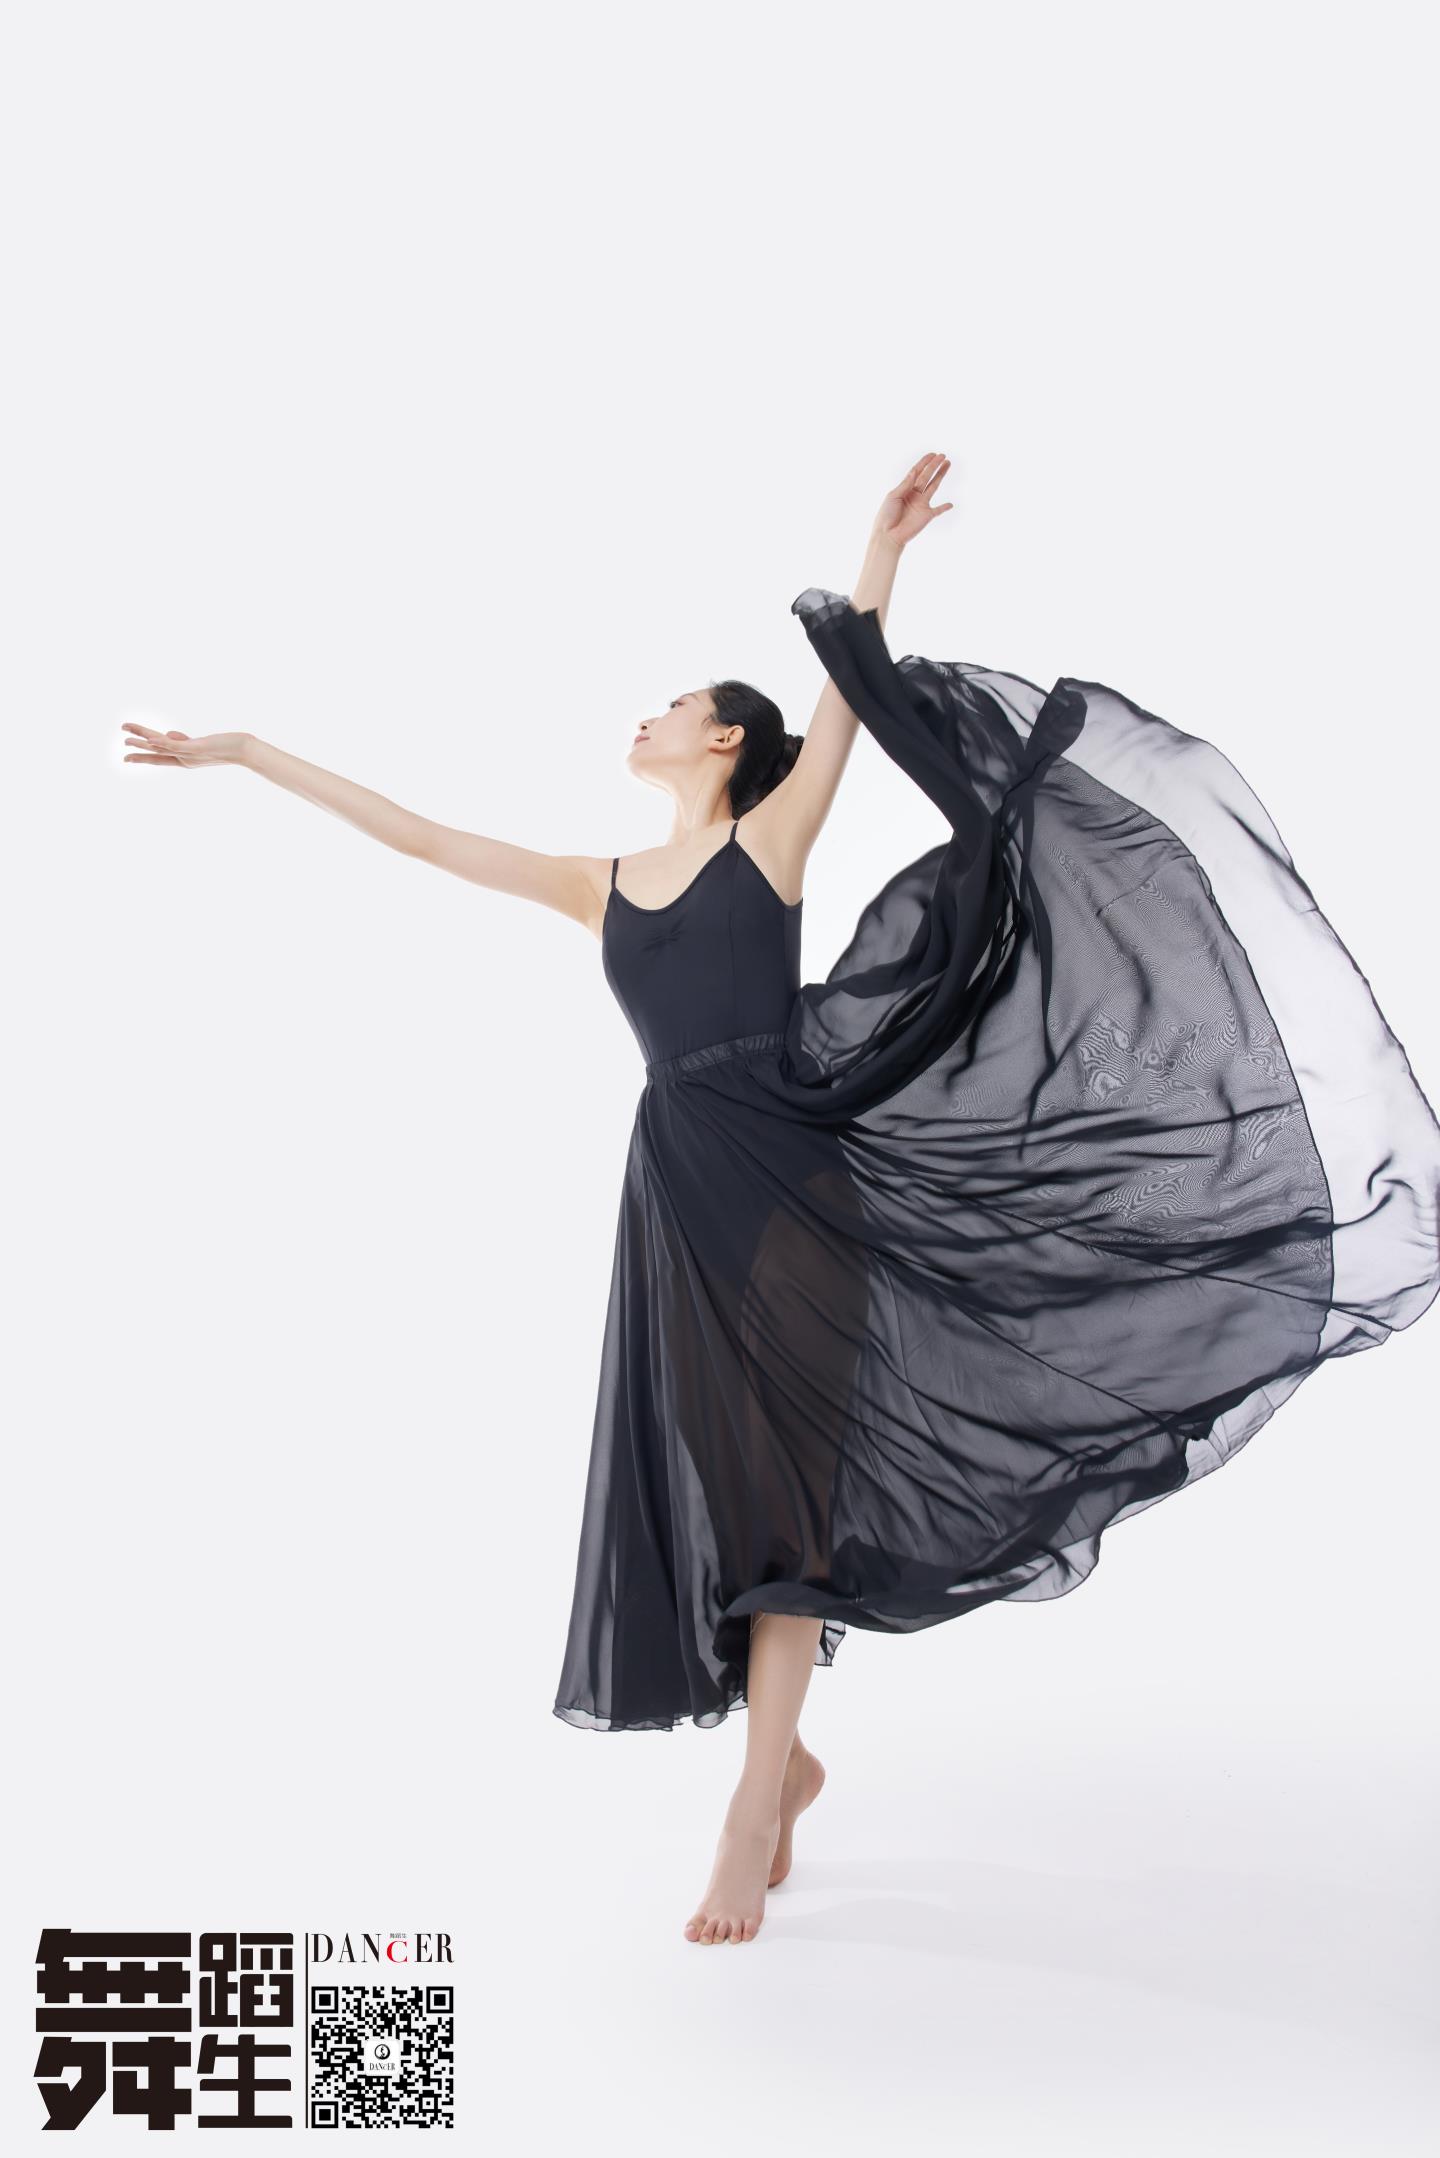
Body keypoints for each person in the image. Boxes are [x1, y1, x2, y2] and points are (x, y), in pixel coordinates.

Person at [124, 453, 1440, 1951]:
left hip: (796, 1192)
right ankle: (790, 1760)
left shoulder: (771, 839)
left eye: (671, 703)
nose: (645, 717)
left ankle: (752, 1808)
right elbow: (425, 837)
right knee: (734, 1491)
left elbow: (844, 706)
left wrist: (877, 558)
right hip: (679, 1204)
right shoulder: (601, 881)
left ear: (725, 738)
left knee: (789, 1501)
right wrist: (248, 751)